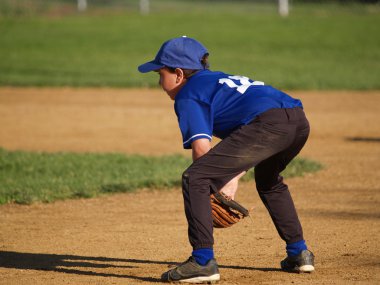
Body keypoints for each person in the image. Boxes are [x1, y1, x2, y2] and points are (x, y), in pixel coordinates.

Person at [138, 36, 315, 283]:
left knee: (196, 176)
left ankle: (202, 261)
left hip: (268, 124)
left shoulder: (188, 94)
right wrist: (231, 177)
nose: (159, 81)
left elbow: (202, 150)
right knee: (269, 181)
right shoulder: (216, 80)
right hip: (297, 120)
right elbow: (246, 141)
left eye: (161, 73)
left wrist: (219, 181)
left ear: (178, 74)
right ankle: (299, 253)